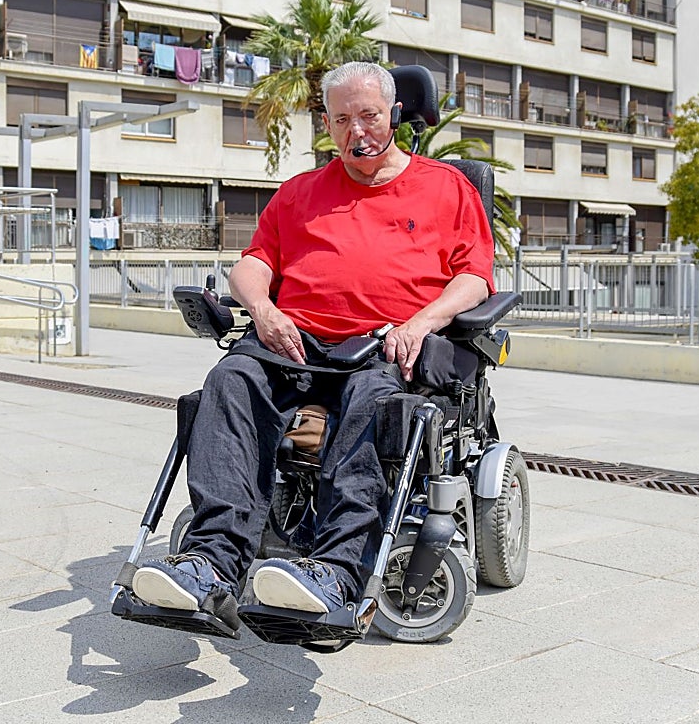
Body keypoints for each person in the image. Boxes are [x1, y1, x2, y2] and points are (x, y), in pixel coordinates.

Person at [131, 61, 496, 632]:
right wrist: (264, 310)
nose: (358, 132)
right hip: (294, 343)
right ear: (326, 122)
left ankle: (337, 571)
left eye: (370, 115)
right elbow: (252, 264)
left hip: (382, 346)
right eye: (343, 119)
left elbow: (474, 277)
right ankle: (210, 563)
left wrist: (423, 322)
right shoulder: (300, 192)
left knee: (376, 400)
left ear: (395, 114)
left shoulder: (447, 187)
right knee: (231, 379)